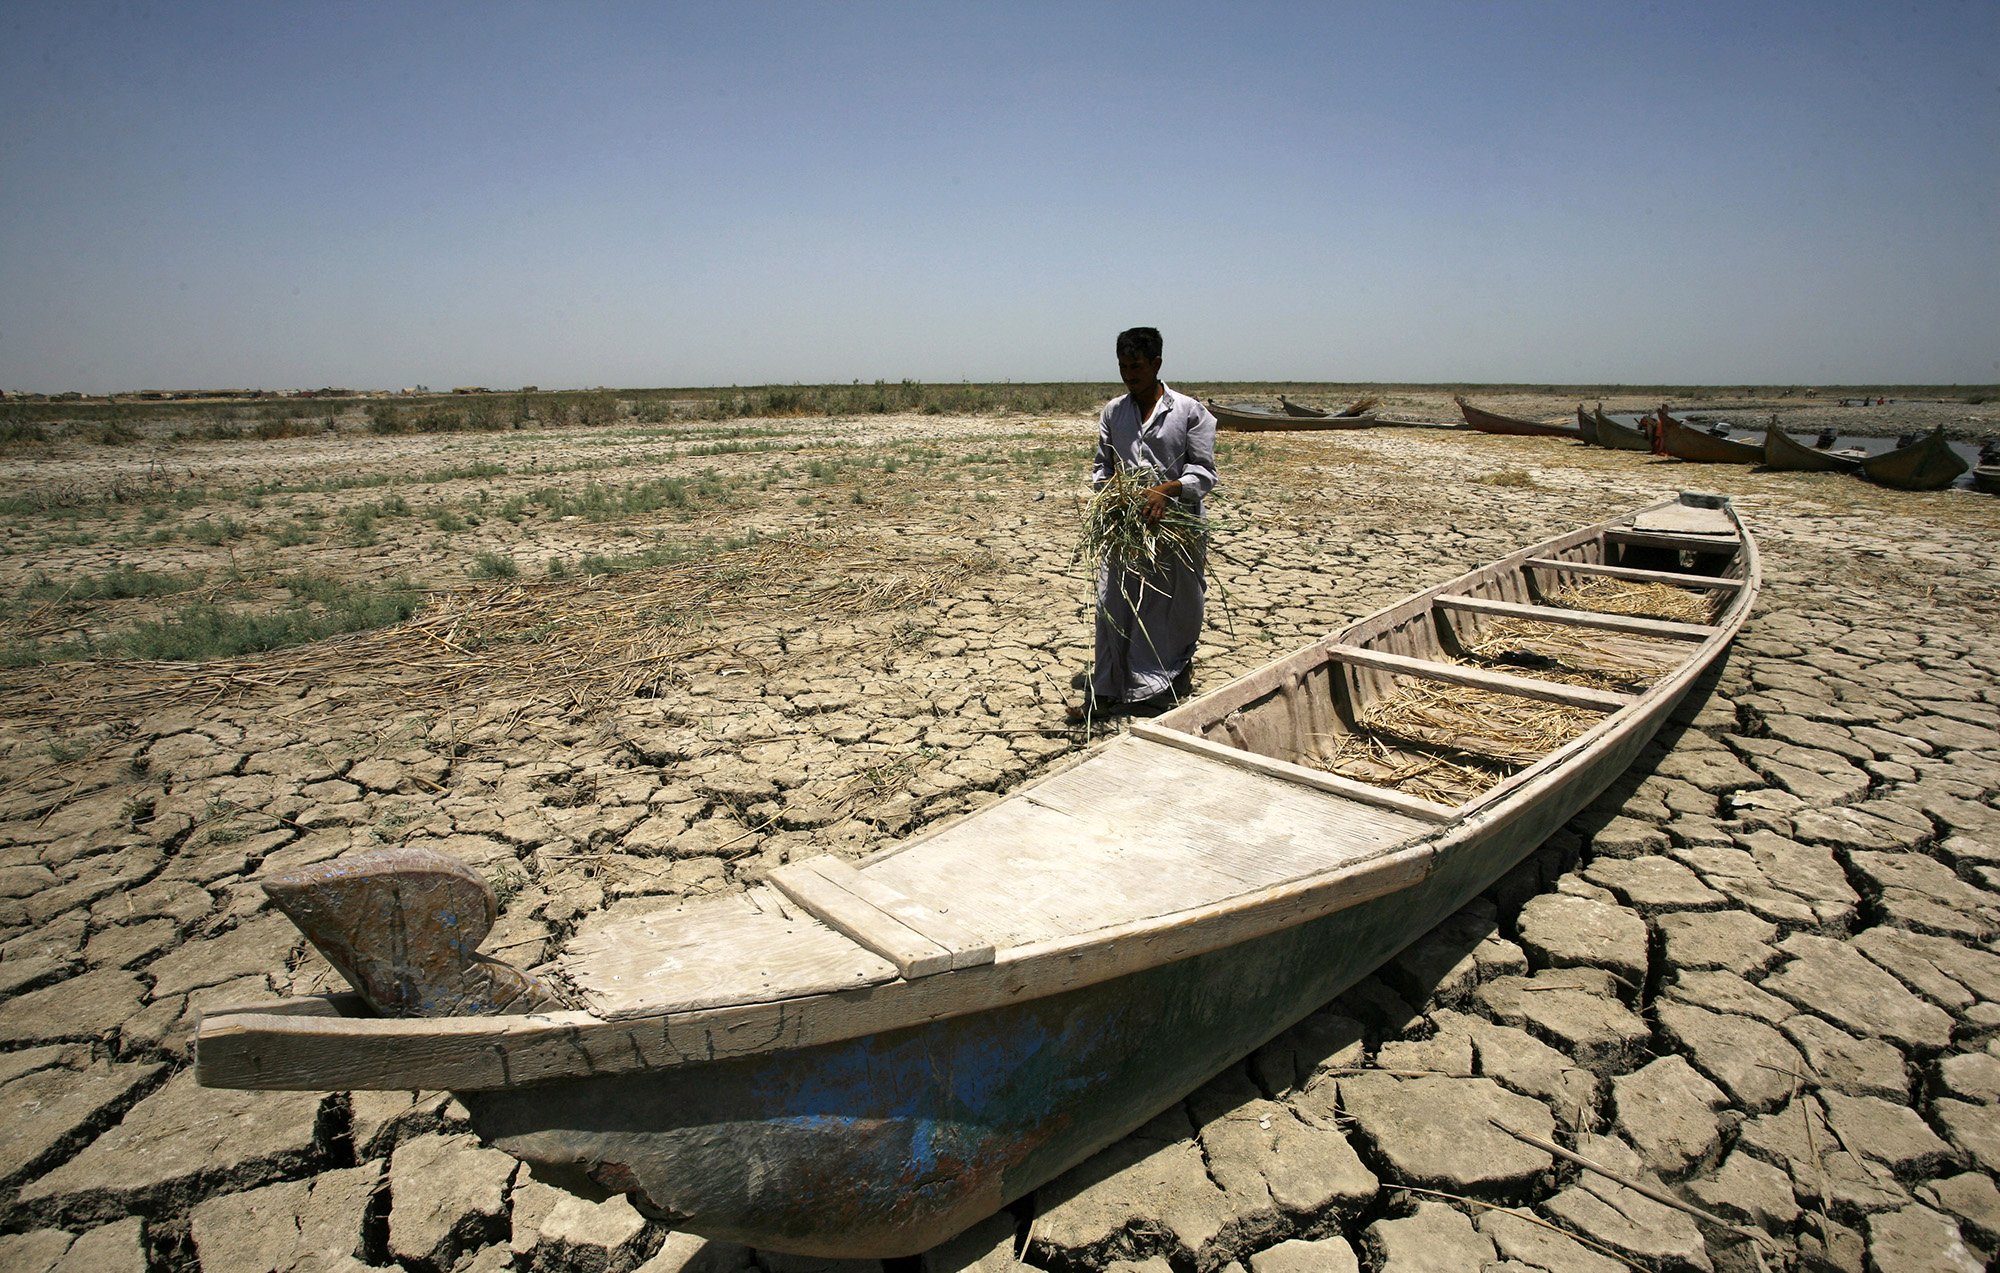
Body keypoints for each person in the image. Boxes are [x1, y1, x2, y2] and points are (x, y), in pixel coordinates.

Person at [1071, 327, 1218, 721]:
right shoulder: (1114, 412)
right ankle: (1105, 690)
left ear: (1156, 364)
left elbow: (1204, 473)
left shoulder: (1190, 412)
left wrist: (1169, 489)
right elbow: (1103, 466)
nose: (1129, 375)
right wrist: (1113, 491)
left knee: (1169, 607)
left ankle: (1160, 684)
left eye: (1136, 367)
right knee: (1114, 603)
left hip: (1177, 528)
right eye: (1123, 367)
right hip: (1126, 527)